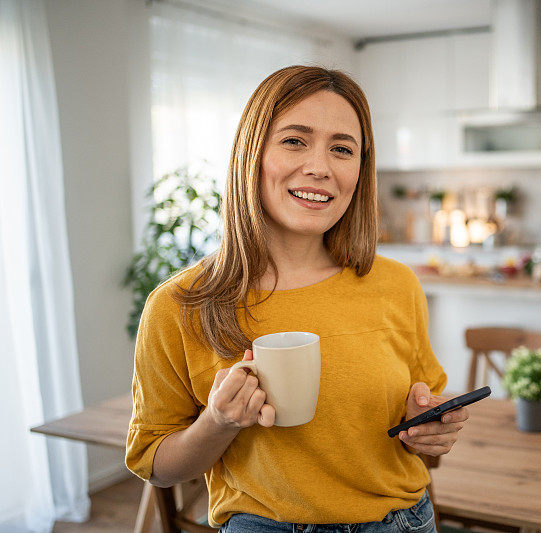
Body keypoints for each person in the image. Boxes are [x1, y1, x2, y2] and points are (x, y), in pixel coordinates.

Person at [125, 65, 469, 532]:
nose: (320, 167)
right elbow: (156, 465)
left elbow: (419, 427)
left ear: (360, 170)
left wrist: (427, 429)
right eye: (294, 140)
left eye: (342, 149)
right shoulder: (180, 305)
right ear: (253, 153)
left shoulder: (395, 284)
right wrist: (218, 423)